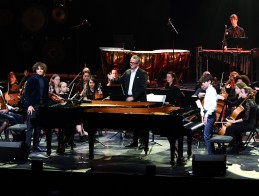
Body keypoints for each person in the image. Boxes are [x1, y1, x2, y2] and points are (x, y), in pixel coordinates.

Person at [107, 54, 148, 149]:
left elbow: (143, 88)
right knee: (133, 122)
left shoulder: (142, 73)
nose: (131, 64)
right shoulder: (127, 72)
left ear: (138, 63)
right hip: (129, 101)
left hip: (139, 101)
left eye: (133, 63)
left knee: (141, 123)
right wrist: (112, 79)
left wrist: (133, 97)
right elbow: (120, 80)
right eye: (130, 62)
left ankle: (143, 142)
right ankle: (134, 142)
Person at [24, 62, 50, 152]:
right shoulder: (32, 79)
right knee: (30, 127)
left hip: (41, 106)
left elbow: (46, 95)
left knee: (38, 127)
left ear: (44, 70)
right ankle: (27, 147)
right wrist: (29, 105)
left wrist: (47, 106)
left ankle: (36, 146)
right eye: (38, 68)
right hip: (33, 106)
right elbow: (27, 93)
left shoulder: (46, 81)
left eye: (41, 68)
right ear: (35, 70)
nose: (40, 70)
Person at [223, 86, 257, 154]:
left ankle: (235, 148)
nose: (240, 94)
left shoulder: (248, 103)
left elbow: (245, 118)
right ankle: (240, 145)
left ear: (247, 94)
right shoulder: (251, 101)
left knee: (230, 129)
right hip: (250, 124)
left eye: (242, 92)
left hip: (249, 125)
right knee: (234, 127)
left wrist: (234, 121)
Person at [199, 73, 218, 155]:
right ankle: (212, 154)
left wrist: (206, 115)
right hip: (207, 114)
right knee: (208, 136)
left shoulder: (212, 91)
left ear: (209, 81)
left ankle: (211, 155)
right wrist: (203, 114)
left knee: (206, 136)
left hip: (210, 115)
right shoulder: (207, 91)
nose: (202, 83)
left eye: (204, 82)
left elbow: (214, 106)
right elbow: (207, 105)